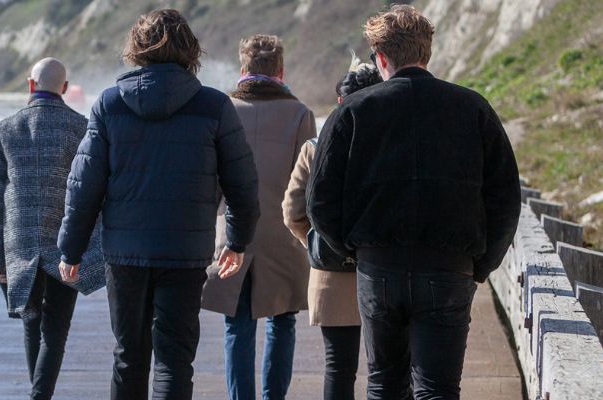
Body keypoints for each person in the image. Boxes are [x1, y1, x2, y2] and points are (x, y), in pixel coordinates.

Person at [307, 5, 521, 399]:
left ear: (382, 58)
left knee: (384, 383)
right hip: (450, 267)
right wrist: (482, 264)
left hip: (379, 267)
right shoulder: (472, 107)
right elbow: (506, 196)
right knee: (438, 388)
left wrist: (355, 252)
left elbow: (319, 200)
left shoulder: (352, 112)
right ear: (428, 52)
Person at [55, 9, 260, 400]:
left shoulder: (110, 105)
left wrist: (71, 248)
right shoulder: (213, 106)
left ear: (137, 49)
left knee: (129, 355)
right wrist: (237, 240)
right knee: (174, 360)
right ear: (190, 50)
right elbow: (243, 184)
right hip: (184, 255)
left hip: (126, 256)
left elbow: (84, 185)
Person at [0, 57, 107, 400]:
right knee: (56, 332)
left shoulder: (3, 131)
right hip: (67, 244)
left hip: (18, 246)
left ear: (30, 84)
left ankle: (38, 396)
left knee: (31, 324)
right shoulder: (81, 128)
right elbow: (96, 190)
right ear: (64, 88)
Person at [201, 34, 314, 400]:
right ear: (280, 70)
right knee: (283, 324)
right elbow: (308, 187)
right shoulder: (300, 114)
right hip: (284, 238)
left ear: (243, 69)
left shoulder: (223, 110)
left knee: (238, 325)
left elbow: (211, 182)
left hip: (234, 235)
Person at [283, 59, 383, 400]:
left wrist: (316, 240)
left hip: (330, 273)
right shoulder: (388, 145)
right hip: (384, 270)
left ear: (340, 102)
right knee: (387, 367)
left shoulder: (314, 146)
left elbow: (293, 212)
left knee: (338, 366)